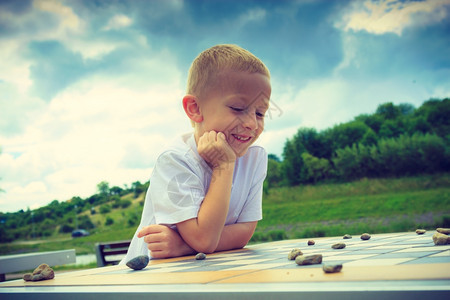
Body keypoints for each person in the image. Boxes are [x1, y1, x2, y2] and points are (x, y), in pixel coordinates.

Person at [121, 44, 271, 262]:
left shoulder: (255, 157)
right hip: (151, 280)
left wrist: (182, 246)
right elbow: (204, 240)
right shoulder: (175, 159)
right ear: (195, 108)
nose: (251, 123)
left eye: (260, 113)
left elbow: (244, 232)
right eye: (238, 108)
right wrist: (224, 166)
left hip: (204, 270)